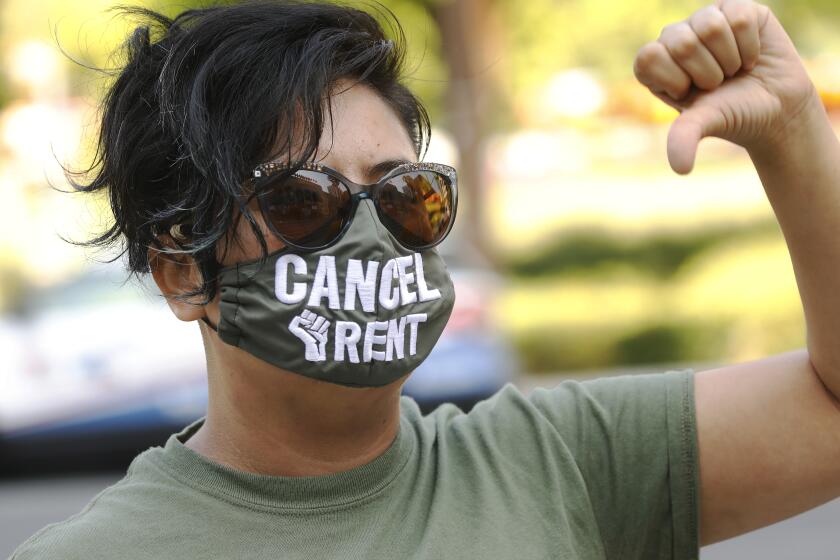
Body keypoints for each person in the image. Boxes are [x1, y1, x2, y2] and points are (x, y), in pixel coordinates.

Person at [8, 0, 840, 558]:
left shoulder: (558, 462)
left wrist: (795, 130)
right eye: (302, 200)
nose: (373, 236)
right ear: (184, 273)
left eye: (409, 196)